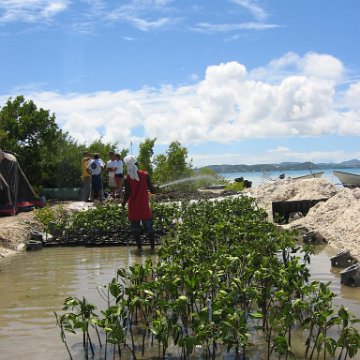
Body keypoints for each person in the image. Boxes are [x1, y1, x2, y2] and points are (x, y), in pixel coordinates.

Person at [122, 155, 156, 249]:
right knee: (149, 229)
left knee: (135, 229)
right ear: (136, 163)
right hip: (144, 207)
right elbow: (152, 190)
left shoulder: (127, 178)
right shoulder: (145, 174)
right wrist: (155, 190)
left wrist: (123, 203)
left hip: (133, 208)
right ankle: (152, 247)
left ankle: (139, 248)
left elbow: (127, 193)